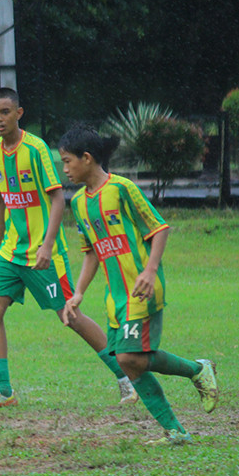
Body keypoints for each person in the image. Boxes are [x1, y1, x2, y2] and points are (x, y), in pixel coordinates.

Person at [0, 87, 137, 407]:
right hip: (10, 252)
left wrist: (47, 246)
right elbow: (0, 204)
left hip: (44, 254)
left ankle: (127, 377)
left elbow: (58, 197)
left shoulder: (36, 150)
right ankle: (2, 392)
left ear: (19, 113)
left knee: (70, 316)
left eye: (5, 112)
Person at [57, 125, 219, 445]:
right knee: (126, 361)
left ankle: (196, 370)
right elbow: (91, 252)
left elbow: (159, 228)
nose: (65, 169)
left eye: (67, 161)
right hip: (115, 296)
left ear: (87, 158)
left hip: (142, 288)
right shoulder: (78, 203)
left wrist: (149, 270)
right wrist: (77, 293)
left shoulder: (122, 189)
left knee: (130, 358)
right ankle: (176, 432)